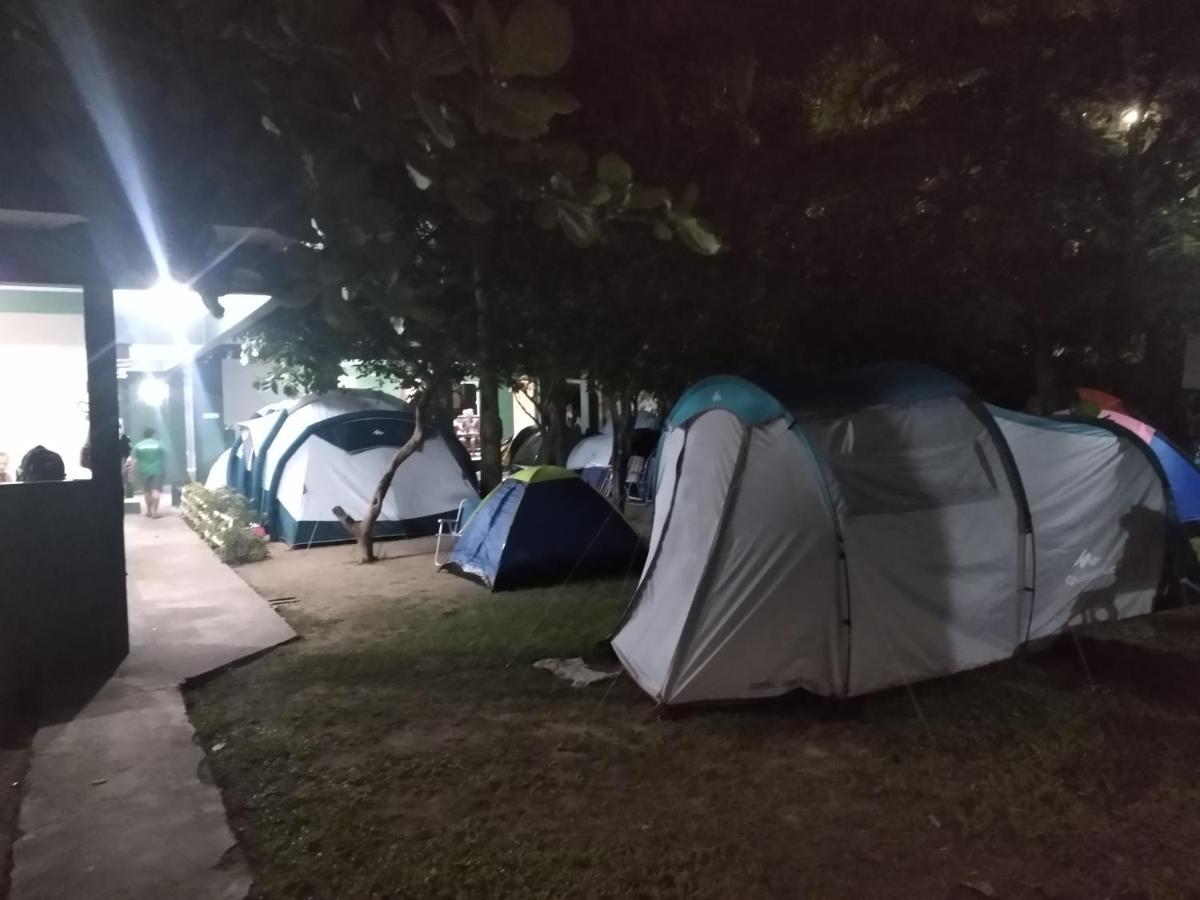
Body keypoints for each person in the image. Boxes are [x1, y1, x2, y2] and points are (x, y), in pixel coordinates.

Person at [130, 427, 167, 518]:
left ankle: (149, 511)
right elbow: (165, 455)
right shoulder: (159, 444)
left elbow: (133, 460)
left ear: (143, 435)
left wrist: (131, 472)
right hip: (157, 470)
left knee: (147, 491)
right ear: (153, 435)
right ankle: (155, 511)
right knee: (156, 491)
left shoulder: (138, 445)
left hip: (143, 471)